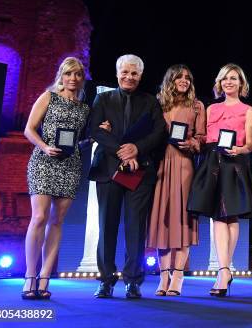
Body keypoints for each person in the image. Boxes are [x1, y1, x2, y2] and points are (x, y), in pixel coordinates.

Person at [89, 54, 167, 299]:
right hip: (109, 169)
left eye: (134, 73)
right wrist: (123, 152)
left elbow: (159, 133)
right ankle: (106, 280)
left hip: (140, 170)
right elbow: (94, 130)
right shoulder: (102, 98)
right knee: (107, 225)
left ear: (140, 76)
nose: (129, 77)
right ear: (117, 73)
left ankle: (133, 280)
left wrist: (138, 148)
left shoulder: (150, 102)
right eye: (125, 72)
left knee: (136, 228)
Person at [188, 63, 252, 297]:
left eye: (234, 78)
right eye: (225, 78)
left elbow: (250, 145)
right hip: (212, 161)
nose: (229, 82)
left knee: (231, 215)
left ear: (241, 83)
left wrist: (240, 150)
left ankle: (224, 270)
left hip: (235, 164)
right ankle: (224, 270)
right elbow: (205, 137)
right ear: (220, 83)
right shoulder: (211, 108)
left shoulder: (248, 110)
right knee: (217, 216)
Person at [23, 56, 90, 299]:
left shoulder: (84, 109)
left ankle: (44, 278)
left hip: (70, 165)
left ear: (82, 79)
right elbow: (29, 129)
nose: (73, 79)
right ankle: (30, 276)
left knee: (57, 221)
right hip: (43, 161)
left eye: (78, 75)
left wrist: (98, 133)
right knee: (39, 217)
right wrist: (44, 146)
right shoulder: (48, 97)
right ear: (61, 75)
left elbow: (79, 138)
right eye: (68, 74)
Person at [147, 65, 206, 296]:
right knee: (162, 220)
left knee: (182, 220)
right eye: (179, 77)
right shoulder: (158, 104)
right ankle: (163, 278)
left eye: (188, 78)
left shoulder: (197, 106)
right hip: (161, 164)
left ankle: (178, 277)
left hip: (184, 165)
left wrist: (192, 144)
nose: (184, 81)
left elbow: (202, 138)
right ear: (170, 80)